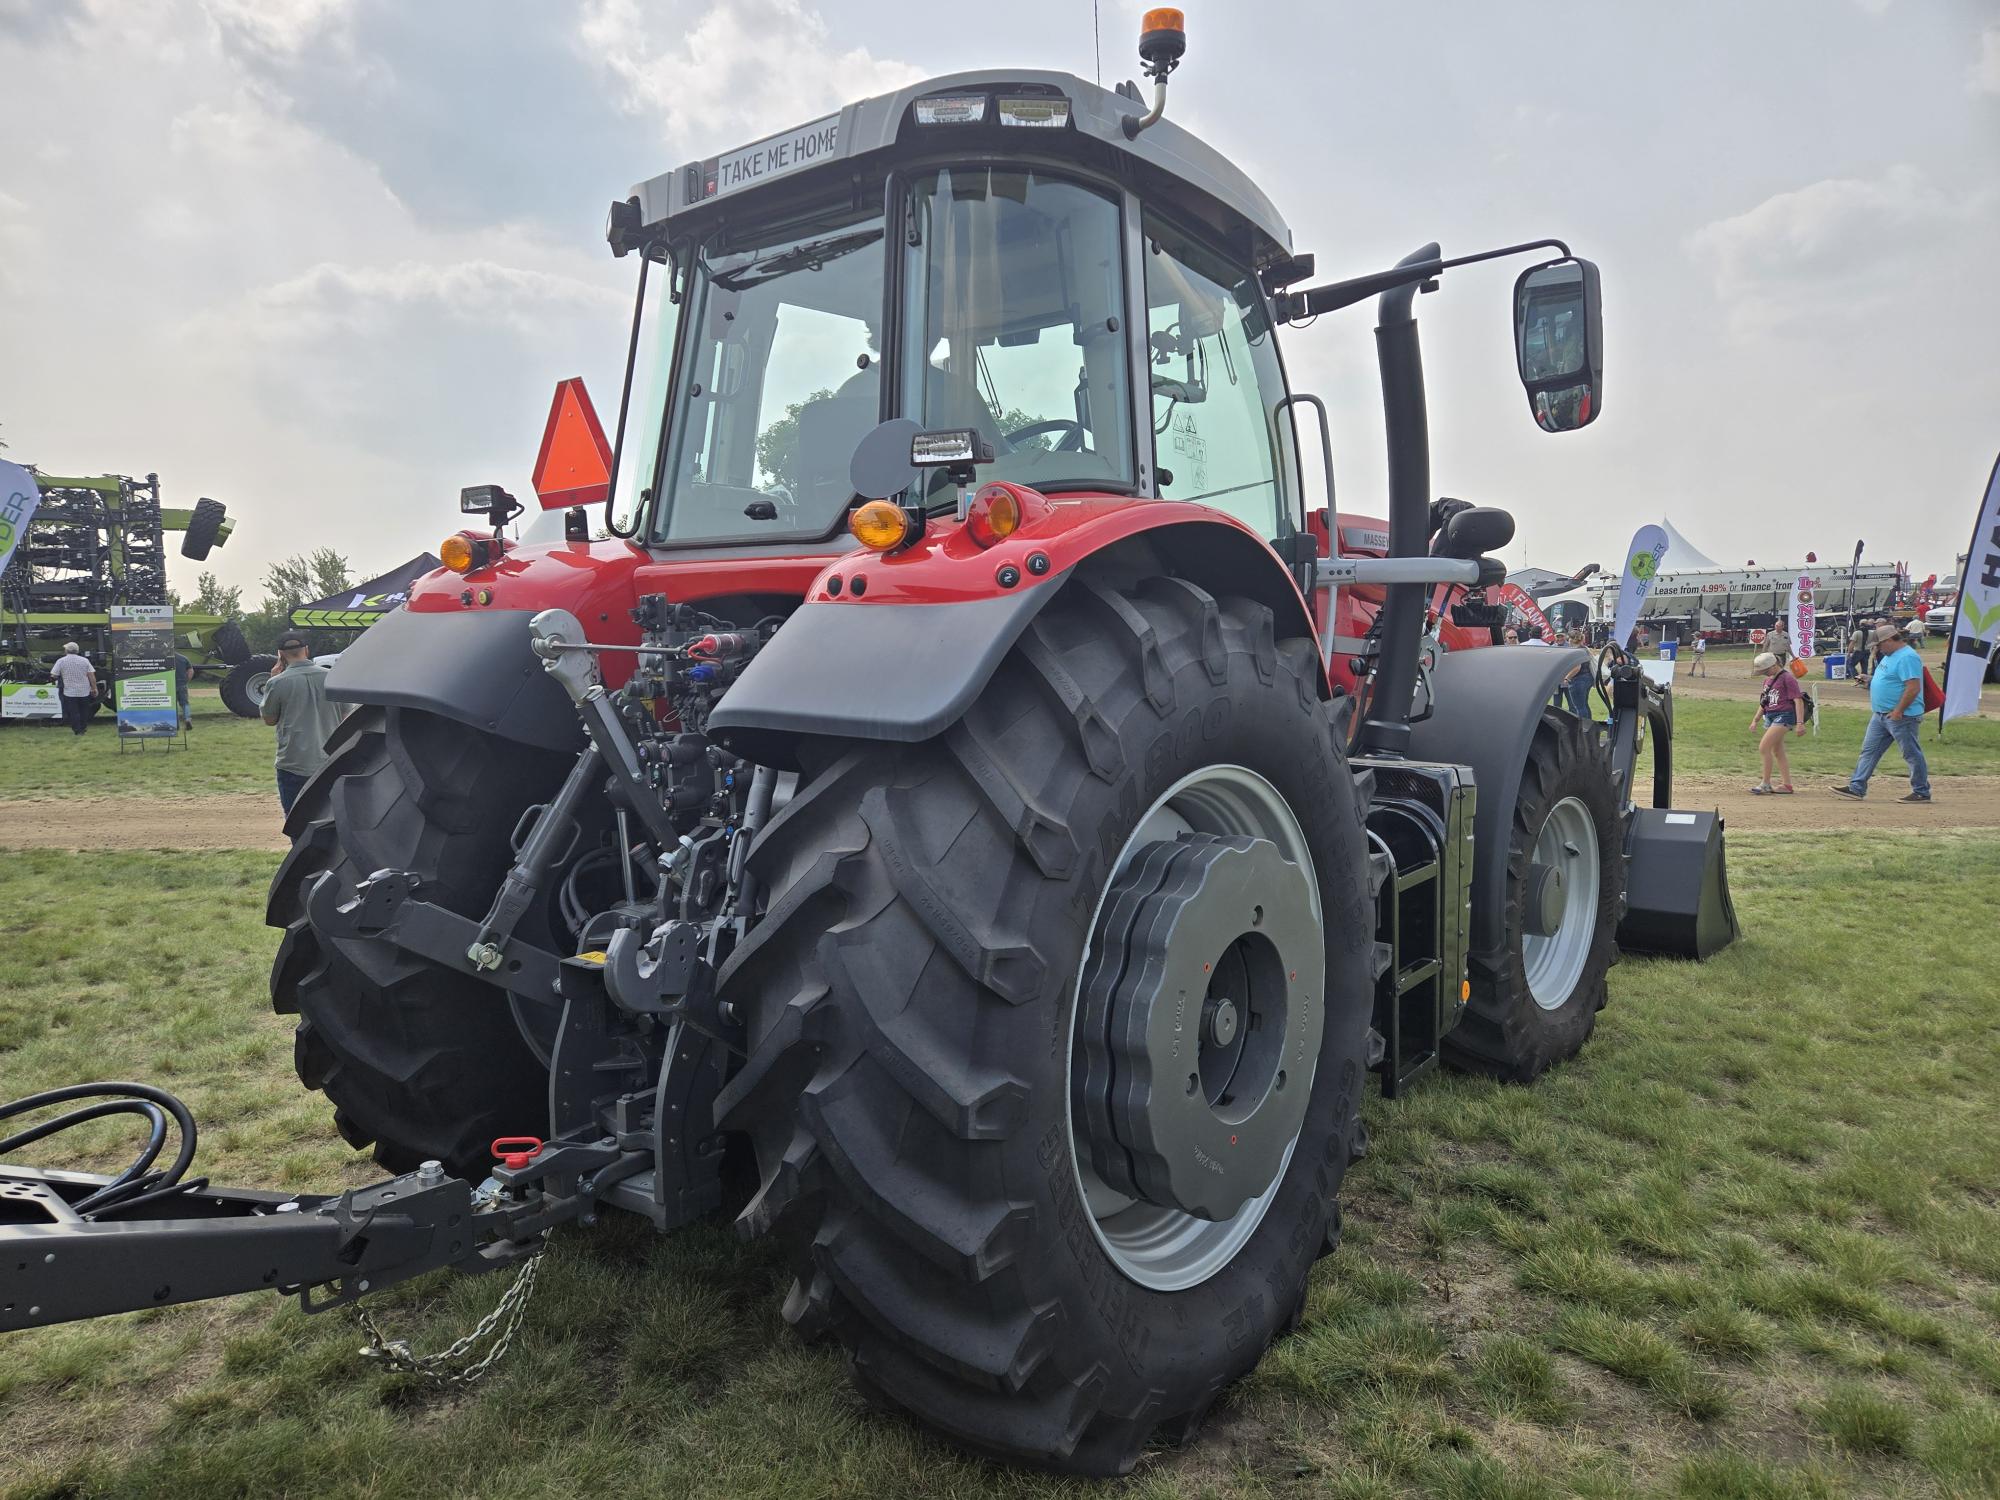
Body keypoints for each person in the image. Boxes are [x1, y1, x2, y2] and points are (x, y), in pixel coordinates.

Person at [1832, 622, 1930, 803]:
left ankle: (1921, 792)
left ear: (1889, 640)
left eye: (1878, 645)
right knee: (1868, 751)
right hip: (1880, 714)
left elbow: (1913, 688)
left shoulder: (1907, 657)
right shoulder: (1889, 655)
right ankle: (1856, 787)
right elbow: (1890, 679)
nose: (1876, 649)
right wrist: (1870, 680)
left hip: (1902, 716)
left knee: (1911, 754)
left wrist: (1898, 711)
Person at [260, 634, 344, 815]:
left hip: (293, 762)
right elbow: (346, 716)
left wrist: (272, 678)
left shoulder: (276, 683)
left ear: (280, 654)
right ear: (306, 650)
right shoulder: (333, 677)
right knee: (331, 816)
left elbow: (269, 719)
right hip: (330, 759)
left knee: (295, 818)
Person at [1748, 651, 1805, 794]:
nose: (1765, 674)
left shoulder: (1788, 678)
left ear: (1774, 666)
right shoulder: (1768, 681)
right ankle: (1787, 785)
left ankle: (1766, 783)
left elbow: (1798, 701)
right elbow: (1764, 703)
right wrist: (1755, 720)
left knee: (1764, 747)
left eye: (1766, 671)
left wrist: (1800, 723)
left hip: (1785, 715)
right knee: (1777, 751)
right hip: (1771, 716)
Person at [50, 641, 98, 737]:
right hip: (84, 691)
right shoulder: (85, 660)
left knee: (73, 712)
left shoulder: (61, 661)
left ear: (66, 650)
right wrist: (94, 688)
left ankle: (77, 730)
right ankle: (83, 728)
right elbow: (91, 675)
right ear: (77, 650)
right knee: (84, 711)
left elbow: (54, 675)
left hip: (69, 692)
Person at [172, 650, 193, 731]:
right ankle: (187, 719)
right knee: (185, 704)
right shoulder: (184, 658)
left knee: (173, 706)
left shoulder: (166, 659)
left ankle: (176, 725)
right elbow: (190, 671)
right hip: (182, 685)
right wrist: (186, 681)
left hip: (170, 685)